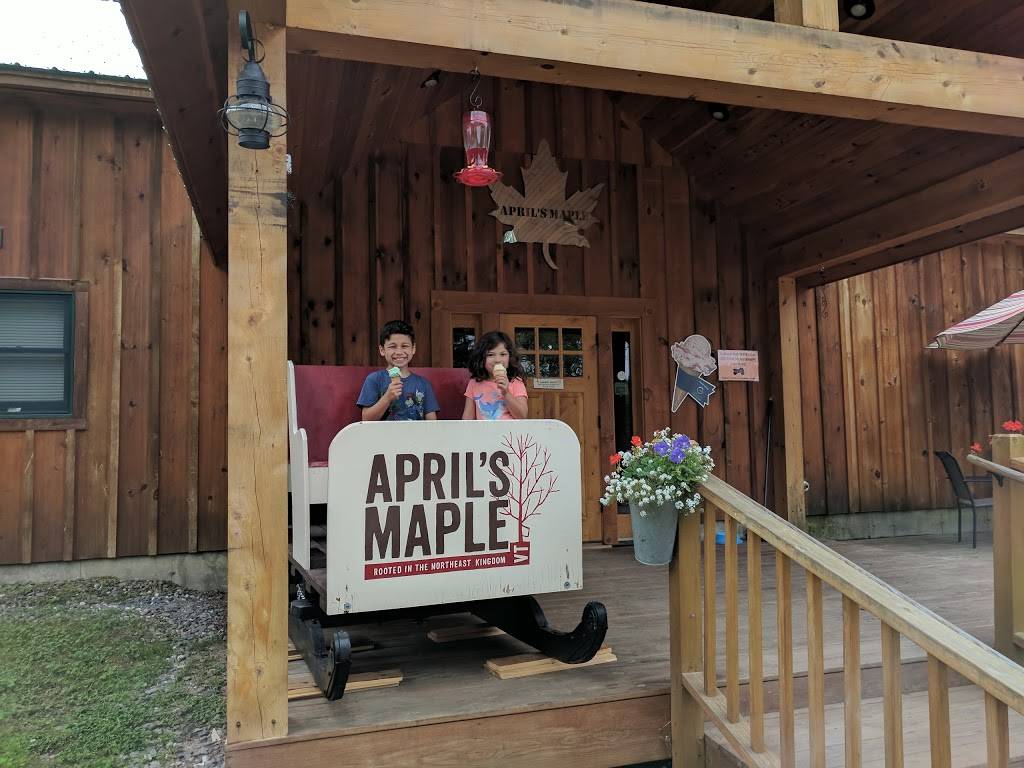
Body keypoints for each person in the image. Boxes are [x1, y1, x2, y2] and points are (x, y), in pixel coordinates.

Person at [358, 320, 440, 421]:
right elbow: (366, 419)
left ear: (413, 349)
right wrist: (387, 397)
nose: (399, 352)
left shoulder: (424, 384)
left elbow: (432, 422)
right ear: (382, 350)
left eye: (404, 346)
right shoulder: (374, 380)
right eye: (392, 347)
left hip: (416, 432)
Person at [462, 330, 529, 420]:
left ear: (510, 357)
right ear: (481, 358)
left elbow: (522, 416)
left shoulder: (516, 382)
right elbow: (467, 419)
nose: (497, 360)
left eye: (503, 354)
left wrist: (506, 392)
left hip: (509, 429)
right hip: (483, 429)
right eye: (490, 355)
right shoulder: (474, 383)